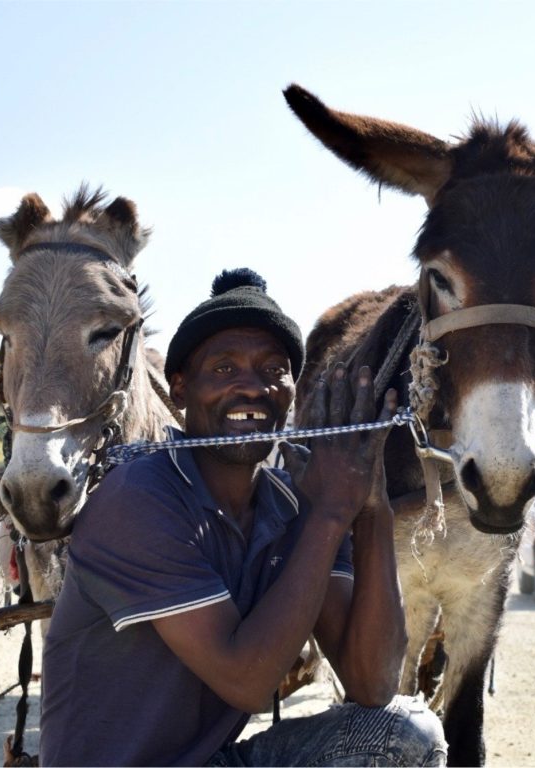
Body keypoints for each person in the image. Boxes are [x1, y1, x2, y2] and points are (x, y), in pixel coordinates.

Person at [40, 268, 447, 767]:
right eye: (224, 369)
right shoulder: (140, 498)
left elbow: (372, 682)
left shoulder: (295, 505)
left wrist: (371, 506)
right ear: (180, 388)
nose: (252, 387)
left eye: (274, 369)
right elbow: (247, 681)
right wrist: (331, 513)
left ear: (291, 391)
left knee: (405, 733)